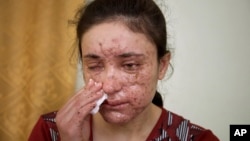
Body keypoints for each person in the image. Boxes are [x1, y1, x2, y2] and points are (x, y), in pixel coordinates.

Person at [28, 0, 219, 140]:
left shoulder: (197, 139)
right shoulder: (50, 132)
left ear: (162, 66)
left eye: (130, 65)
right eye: (94, 66)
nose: (109, 86)